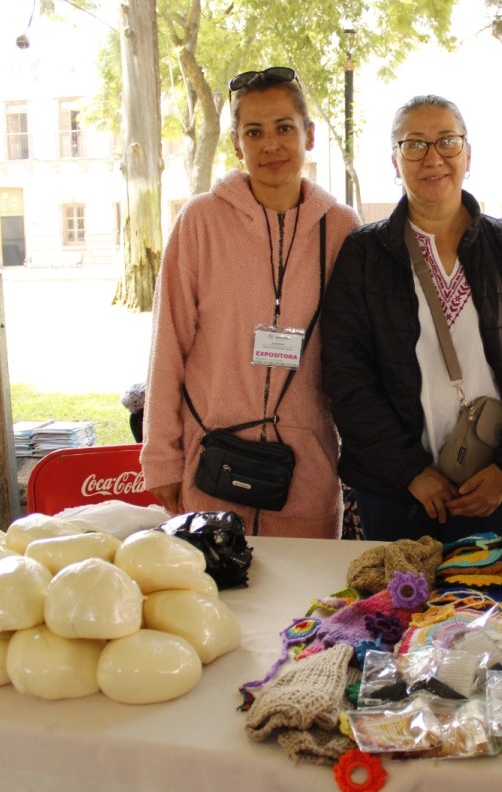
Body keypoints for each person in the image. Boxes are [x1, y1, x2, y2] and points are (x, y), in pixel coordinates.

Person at [321, 94, 502, 543]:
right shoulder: (364, 253)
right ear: (395, 161)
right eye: (414, 145)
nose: (433, 157)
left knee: (494, 610)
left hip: (491, 491)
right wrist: (410, 471)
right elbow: (345, 374)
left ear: (468, 155)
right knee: (395, 612)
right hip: (399, 495)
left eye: (447, 142)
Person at [141, 67, 360, 537]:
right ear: (238, 145)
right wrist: (161, 456)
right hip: (211, 468)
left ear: (309, 135)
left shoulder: (342, 228)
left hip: (306, 477)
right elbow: (168, 343)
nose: (271, 145)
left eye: (284, 128)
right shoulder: (200, 221)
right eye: (253, 132)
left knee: (302, 607)